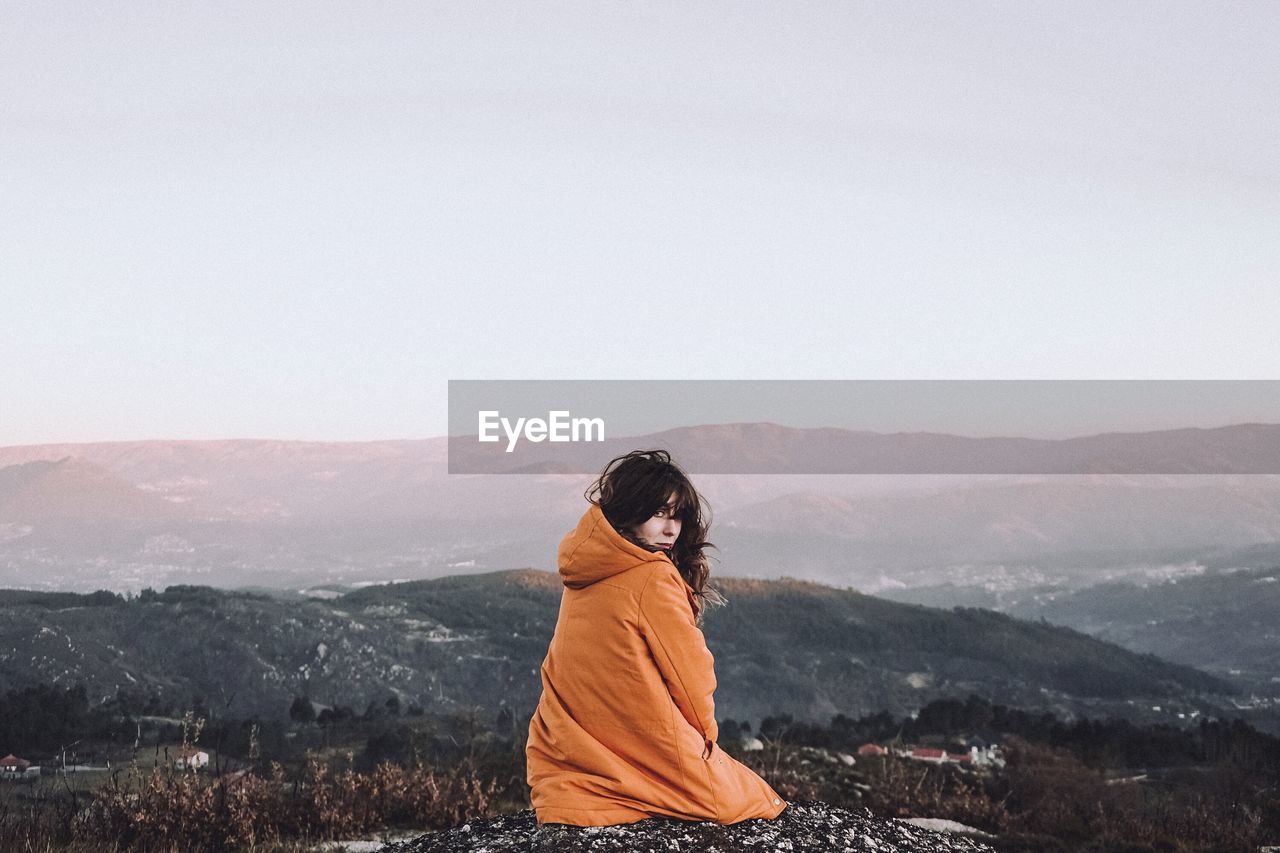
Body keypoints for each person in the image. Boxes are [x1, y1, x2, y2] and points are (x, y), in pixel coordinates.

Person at [525, 449, 787, 826]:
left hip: (563, 770)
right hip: (642, 756)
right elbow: (690, 678)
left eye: (677, 515)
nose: (671, 529)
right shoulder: (653, 576)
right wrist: (707, 747)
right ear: (630, 511)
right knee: (754, 799)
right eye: (659, 514)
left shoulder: (584, 566)